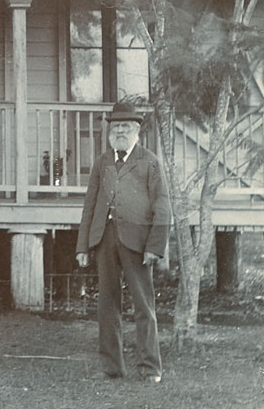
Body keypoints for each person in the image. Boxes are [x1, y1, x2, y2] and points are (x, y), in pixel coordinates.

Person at [76, 101, 172, 383]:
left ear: (136, 131)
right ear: (110, 131)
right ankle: (112, 368)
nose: (120, 131)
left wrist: (156, 246)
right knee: (107, 304)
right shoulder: (102, 162)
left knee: (144, 305)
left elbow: (163, 206)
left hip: (138, 244)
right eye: (116, 127)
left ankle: (150, 368)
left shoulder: (149, 162)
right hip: (105, 240)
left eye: (125, 127)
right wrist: (83, 246)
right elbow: (89, 205)